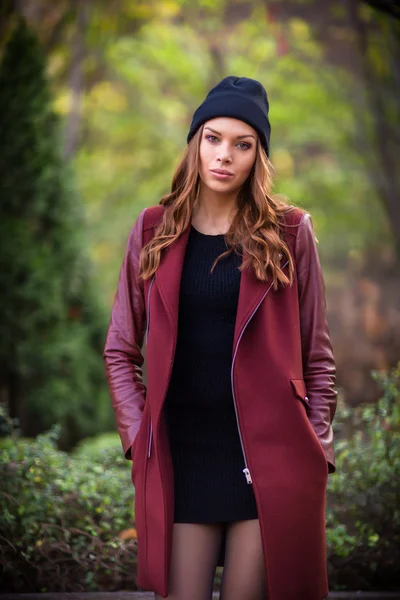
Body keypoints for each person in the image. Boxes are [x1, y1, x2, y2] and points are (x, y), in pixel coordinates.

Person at [103, 76, 337, 600]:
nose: (224, 155)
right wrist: (139, 437)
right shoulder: (152, 231)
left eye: (242, 143)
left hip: (270, 460)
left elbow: (318, 357)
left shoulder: (290, 233)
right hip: (183, 458)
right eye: (213, 138)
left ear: (259, 155)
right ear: (195, 142)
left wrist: (314, 447)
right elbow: (121, 350)